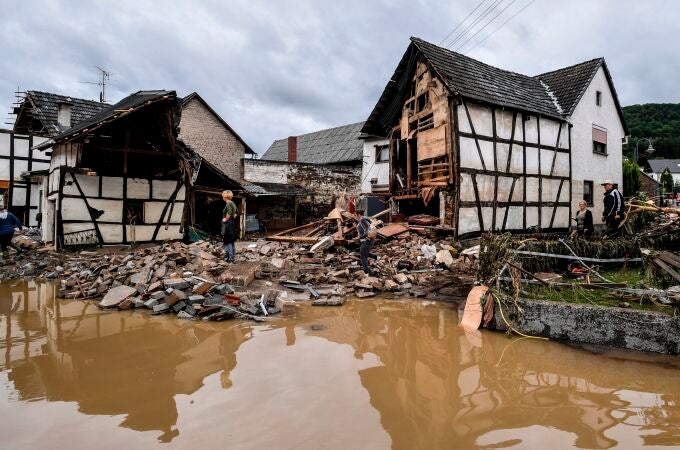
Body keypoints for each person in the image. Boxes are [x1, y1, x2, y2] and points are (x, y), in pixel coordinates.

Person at [355, 209, 377, 273]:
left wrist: (360, 237)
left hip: (366, 241)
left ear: (358, 214)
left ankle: (366, 271)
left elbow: (367, 230)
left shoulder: (362, 219)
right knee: (365, 253)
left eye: (356, 215)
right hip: (366, 240)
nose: (355, 216)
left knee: (363, 256)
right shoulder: (363, 219)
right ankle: (377, 257)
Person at [221, 190, 239, 263]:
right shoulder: (233, 203)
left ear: (225, 196)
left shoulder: (228, 203)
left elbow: (229, 212)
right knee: (231, 240)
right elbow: (236, 213)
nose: (222, 197)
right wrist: (232, 218)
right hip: (232, 223)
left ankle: (229, 258)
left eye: (223, 196)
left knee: (227, 240)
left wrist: (225, 219)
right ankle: (232, 258)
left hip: (228, 224)